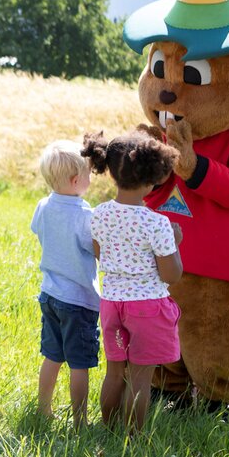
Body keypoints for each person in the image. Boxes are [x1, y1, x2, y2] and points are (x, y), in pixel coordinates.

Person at [82, 128, 184, 432]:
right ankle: (133, 439)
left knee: (114, 373)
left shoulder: (99, 215)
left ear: (112, 174)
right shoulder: (158, 223)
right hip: (147, 309)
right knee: (140, 378)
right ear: (152, 178)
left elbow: (100, 253)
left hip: (112, 306)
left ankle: (109, 430)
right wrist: (175, 242)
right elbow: (171, 274)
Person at [30, 140, 100, 428]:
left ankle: (43, 408)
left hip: (50, 293)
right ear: (76, 181)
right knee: (79, 364)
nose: (91, 178)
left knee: (52, 356)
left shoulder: (44, 205)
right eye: (88, 174)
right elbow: (97, 249)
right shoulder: (85, 216)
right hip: (78, 299)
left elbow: (38, 229)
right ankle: (80, 422)